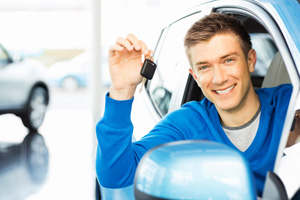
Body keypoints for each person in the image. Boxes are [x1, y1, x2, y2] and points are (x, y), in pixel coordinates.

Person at [95, 13, 292, 196]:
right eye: (205, 67)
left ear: (251, 60)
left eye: (228, 60)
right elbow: (115, 175)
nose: (219, 78)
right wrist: (122, 90)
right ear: (195, 76)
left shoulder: (290, 103)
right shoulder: (186, 124)